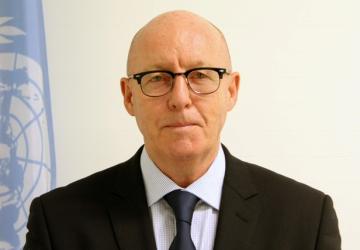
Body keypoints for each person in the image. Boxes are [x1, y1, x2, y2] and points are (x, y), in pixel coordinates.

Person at [24, 10, 341, 250]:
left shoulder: (307, 219)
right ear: (129, 96)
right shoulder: (58, 221)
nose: (180, 99)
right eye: (158, 77)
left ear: (231, 91)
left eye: (201, 75)